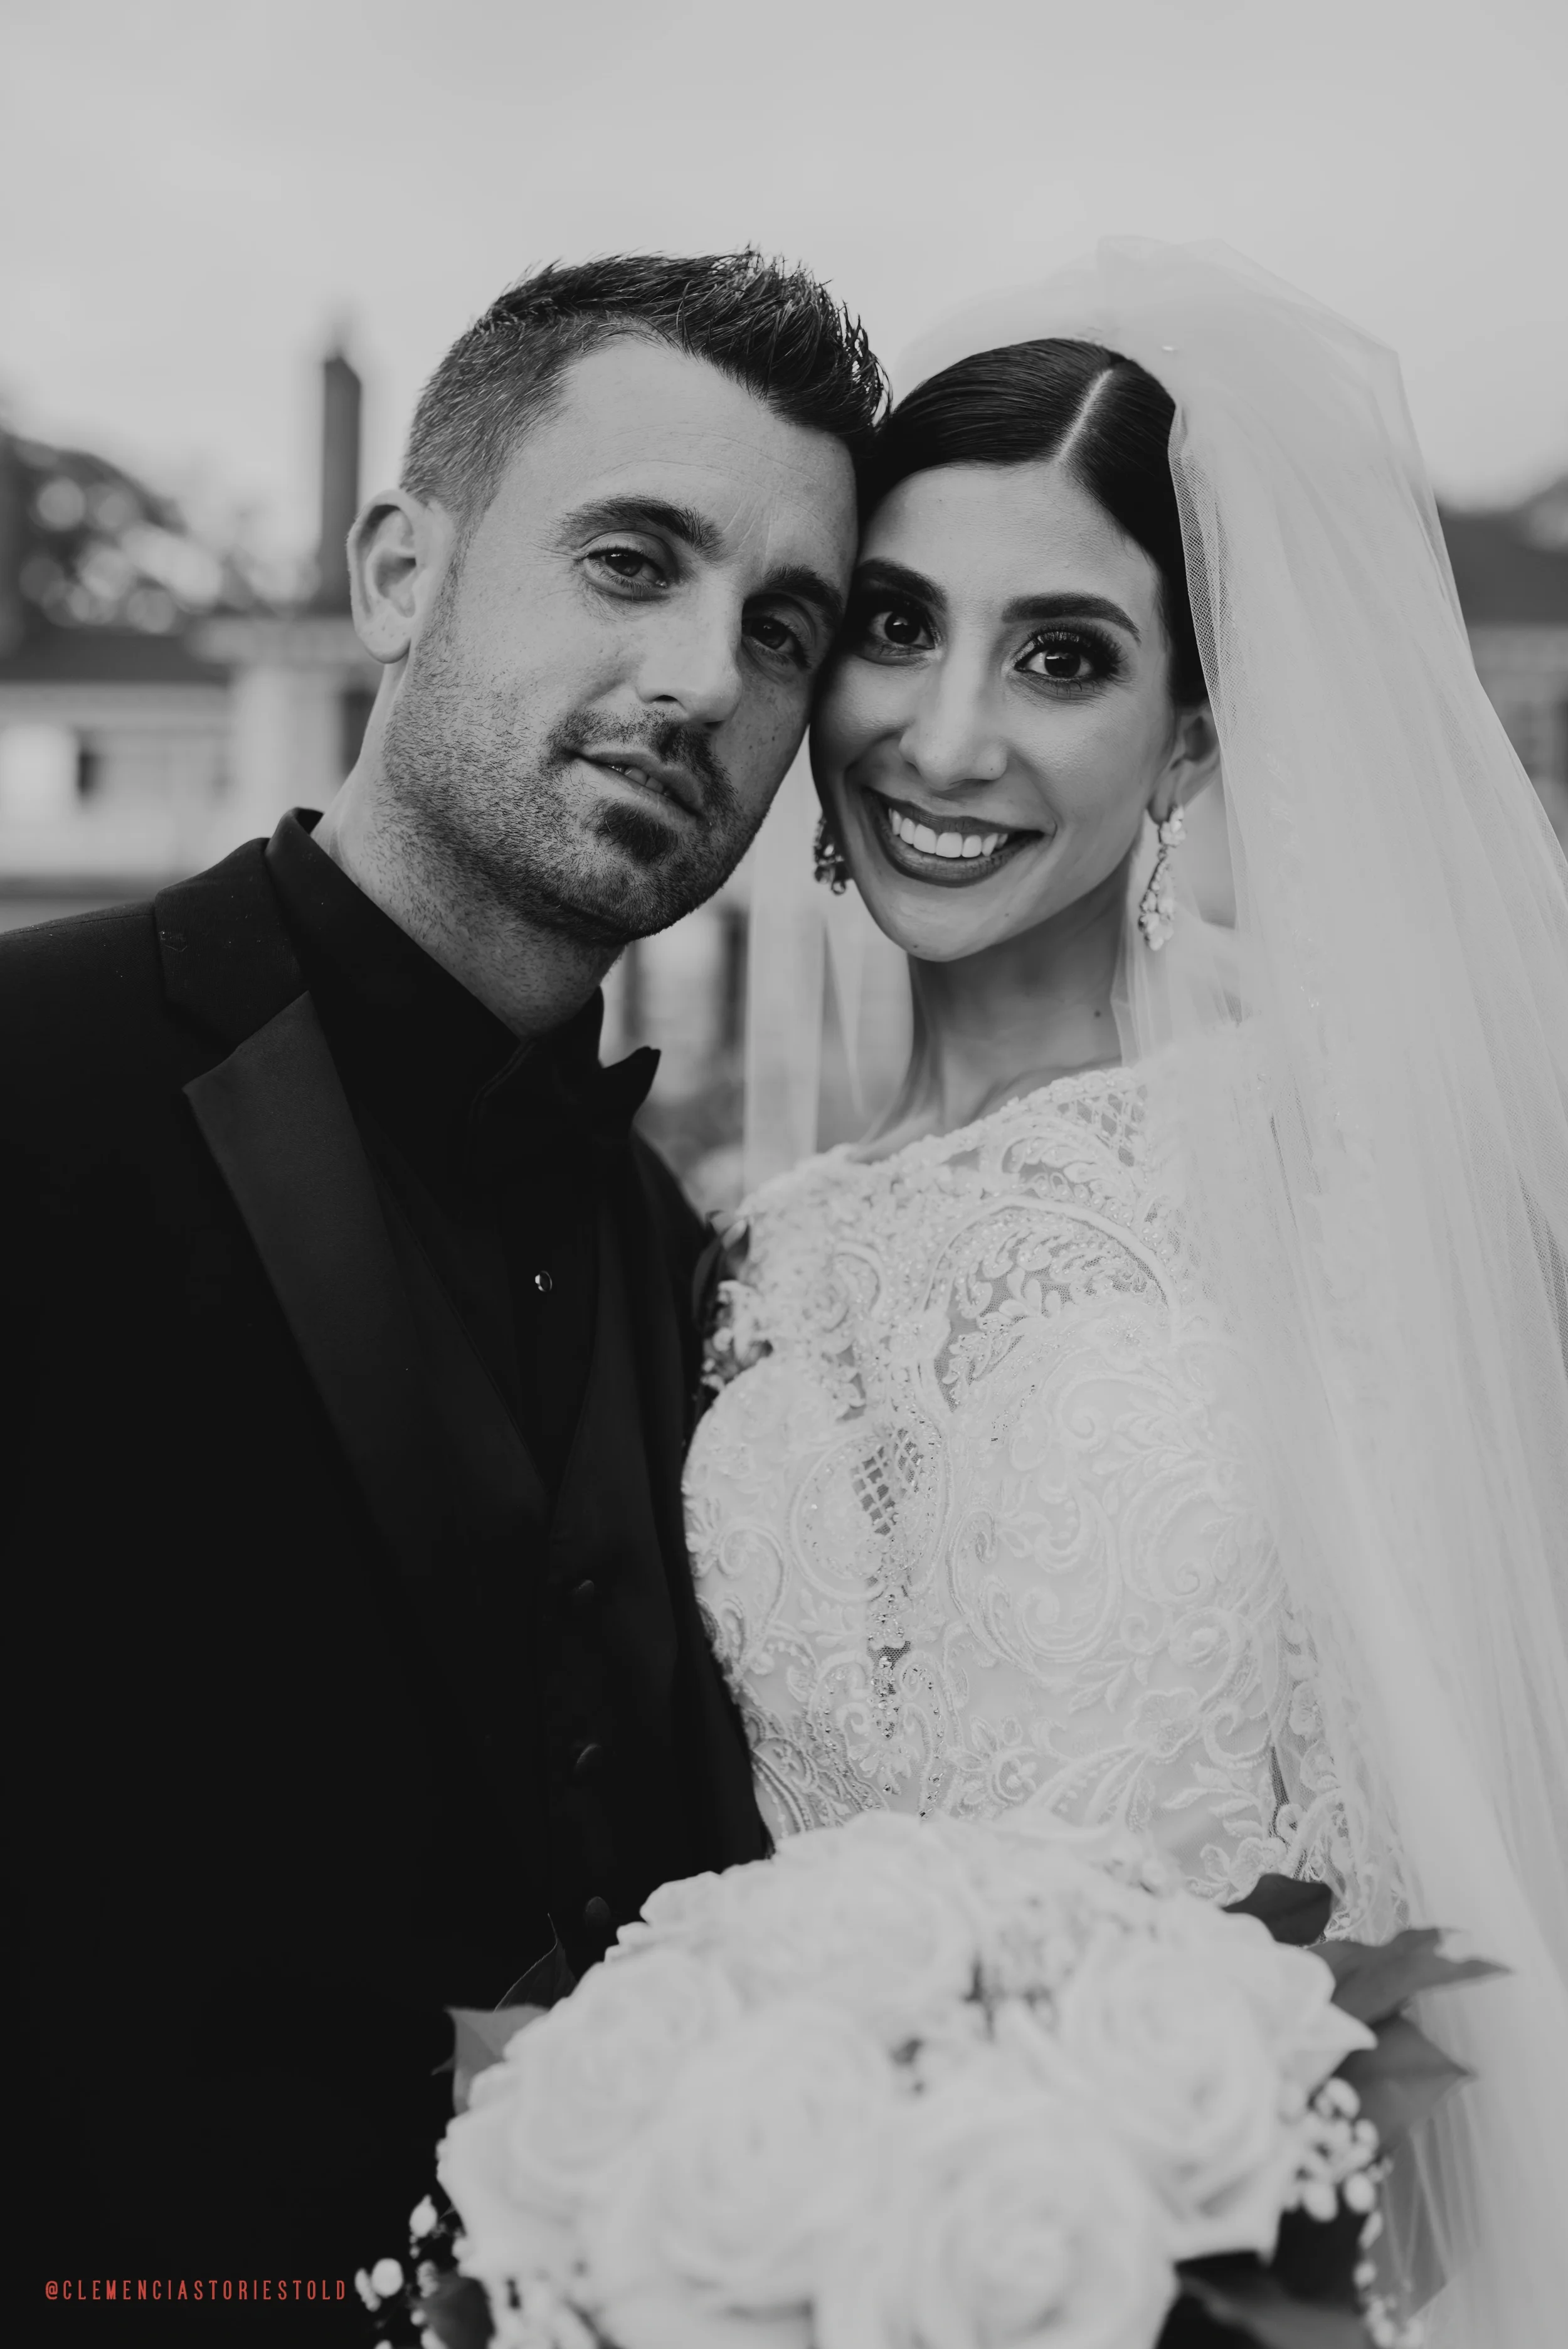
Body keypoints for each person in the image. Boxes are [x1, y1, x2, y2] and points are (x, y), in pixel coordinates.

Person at [686, 241, 1568, 2340]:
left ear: (1187, 744)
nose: (945, 732)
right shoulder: (754, 1248)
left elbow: (1476, 1862)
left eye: (1063, 658)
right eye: (894, 628)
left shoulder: (1335, 1157)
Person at [7, 250, 877, 2301]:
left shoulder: (690, 1264)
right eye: (630, 560)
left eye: (780, 630)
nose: (699, 680)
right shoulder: (32, 1082)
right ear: (402, 572)